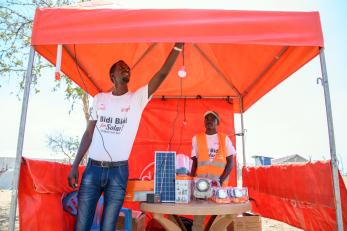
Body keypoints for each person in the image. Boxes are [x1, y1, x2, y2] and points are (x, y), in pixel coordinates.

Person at [68, 42, 184, 231]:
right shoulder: (99, 99)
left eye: (127, 68)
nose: (126, 69)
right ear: (112, 75)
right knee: (82, 224)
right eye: (121, 67)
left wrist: (177, 48)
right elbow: (88, 134)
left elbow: (161, 74)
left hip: (118, 172)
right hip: (93, 169)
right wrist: (75, 165)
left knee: (108, 226)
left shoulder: (136, 99)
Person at [190, 111, 236, 187]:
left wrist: (220, 180)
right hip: (201, 184)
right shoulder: (196, 139)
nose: (209, 121)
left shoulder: (225, 139)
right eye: (207, 119)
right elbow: (195, 162)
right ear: (204, 122)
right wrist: (191, 180)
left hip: (219, 185)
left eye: (212, 119)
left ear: (217, 123)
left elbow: (230, 163)